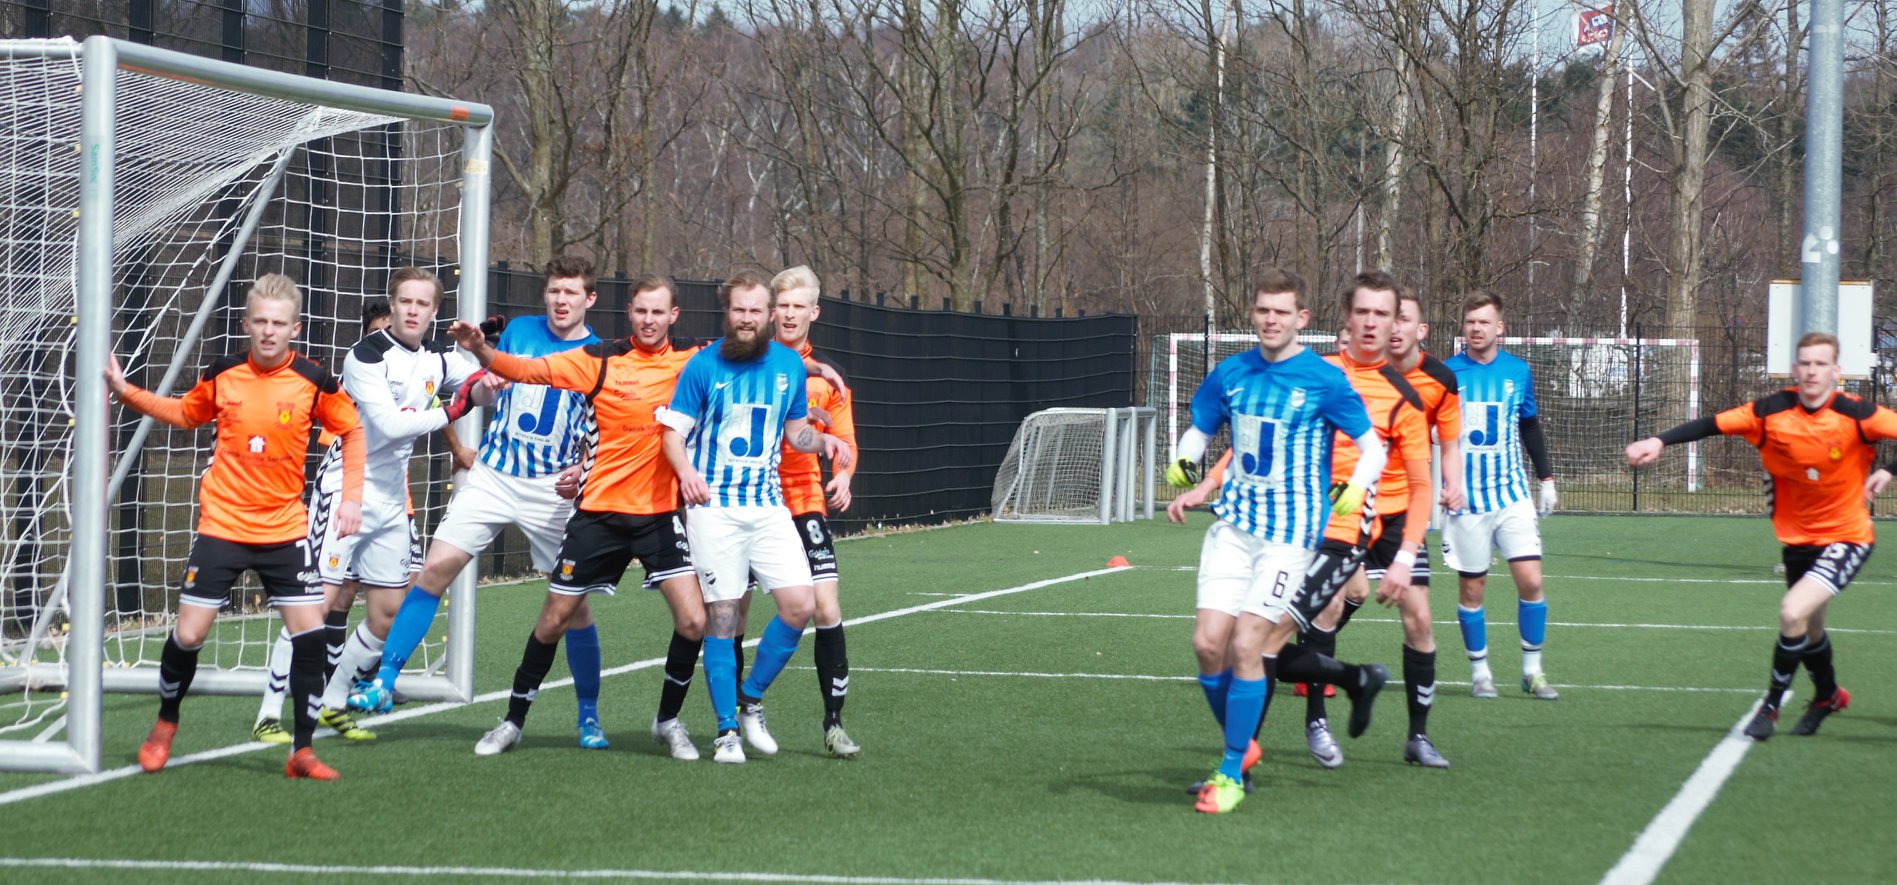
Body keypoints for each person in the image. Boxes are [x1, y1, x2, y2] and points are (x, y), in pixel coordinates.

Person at [443, 271, 714, 757]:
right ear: (629, 313)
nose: (649, 320)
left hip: (658, 515)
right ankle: (512, 722)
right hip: (598, 515)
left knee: (694, 621)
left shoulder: (694, 358)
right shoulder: (598, 359)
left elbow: (753, 353)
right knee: (553, 621)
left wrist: (818, 368)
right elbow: (526, 370)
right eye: (641, 310)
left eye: (658, 311)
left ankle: (668, 721)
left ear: (673, 315)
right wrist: (482, 350)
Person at [106, 273, 365, 780]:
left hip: (284, 530)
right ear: (246, 324)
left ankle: (302, 752)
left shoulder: (315, 380)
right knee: (188, 635)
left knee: (311, 636)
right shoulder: (223, 373)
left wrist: (352, 497)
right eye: (261, 321)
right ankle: (165, 722)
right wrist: (126, 392)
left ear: (295, 328)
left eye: (279, 323)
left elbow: (352, 430)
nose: (269, 331)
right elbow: (185, 414)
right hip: (222, 525)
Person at [349, 257, 614, 751]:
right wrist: (483, 379)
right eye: (554, 291)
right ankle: (384, 681)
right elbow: (485, 383)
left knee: (573, 609)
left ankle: (588, 716)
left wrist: (583, 468)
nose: (561, 300)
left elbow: (604, 426)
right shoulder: (518, 332)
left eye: (571, 293)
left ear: (590, 298)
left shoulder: (598, 354)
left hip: (552, 489)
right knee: (434, 570)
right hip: (493, 474)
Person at [1162, 268, 1389, 814]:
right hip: (1232, 528)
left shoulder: (1325, 380)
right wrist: (1185, 459)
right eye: (1263, 309)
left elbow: (1373, 448)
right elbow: (1203, 425)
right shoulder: (1231, 372)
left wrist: (1355, 488)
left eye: (1281, 312)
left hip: (1289, 539)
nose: (1271, 319)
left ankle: (1230, 771)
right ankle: (1243, 746)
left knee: (1248, 645)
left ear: (1301, 318)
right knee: (1208, 645)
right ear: (1253, 313)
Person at [1627, 332, 1895, 739]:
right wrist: (1658, 440)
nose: (1812, 371)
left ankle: (1769, 708)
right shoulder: (1769, 413)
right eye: (1805, 363)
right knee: (1810, 629)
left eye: (1821, 364)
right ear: (1794, 369)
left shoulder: (1858, 414)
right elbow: (1712, 424)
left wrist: (1889, 470)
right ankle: (1827, 695)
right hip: (1798, 541)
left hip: (1848, 536)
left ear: (1836, 371)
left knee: (1791, 612)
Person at [656, 268, 854, 764]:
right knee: (723, 618)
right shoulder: (703, 365)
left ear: (769, 315)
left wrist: (824, 442)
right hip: (715, 510)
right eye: (738, 309)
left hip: (768, 508)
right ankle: (726, 732)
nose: (747, 318)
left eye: (755, 310)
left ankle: (750, 699)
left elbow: (795, 434)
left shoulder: (788, 365)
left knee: (800, 605)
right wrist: (686, 473)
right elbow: (672, 434)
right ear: (728, 313)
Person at [1301, 275, 1454, 770]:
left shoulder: (1413, 391)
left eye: (1386, 315)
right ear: (1347, 319)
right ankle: (1317, 720)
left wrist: (1406, 556)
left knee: (1420, 618)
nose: (1375, 323)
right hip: (1338, 511)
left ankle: (1418, 737)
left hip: (1393, 512)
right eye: (1363, 312)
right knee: (1328, 608)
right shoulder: (1322, 372)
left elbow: (1422, 480)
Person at [732, 265, 861, 758]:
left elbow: (845, 440)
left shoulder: (831, 376)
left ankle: (834, 723)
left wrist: (843, 475)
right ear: (771, 310)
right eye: (781, 305)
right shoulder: (748, 361)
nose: (788, 314)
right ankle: (734, 712)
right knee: (733, 610)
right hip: (747, 497)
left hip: (803, 499)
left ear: (814, 311)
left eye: (797, 306)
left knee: (825, 607)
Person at [1442, 291, 1559, 700]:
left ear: (1500, 327)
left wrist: (1546, 478)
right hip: (1467, 501)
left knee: (1531, 581)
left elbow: (1529, 424)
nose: (1476, 328)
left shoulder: (1518, 371)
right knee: (1473, 591)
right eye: (1470, 321)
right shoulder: (1447, 373)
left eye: (1484, 321)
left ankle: (1532, 671)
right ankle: (1480, 674)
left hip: (1511, 496)